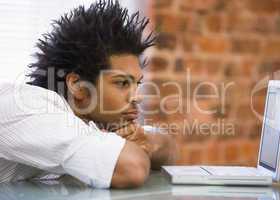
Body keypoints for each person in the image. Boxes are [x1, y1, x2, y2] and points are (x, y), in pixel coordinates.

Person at [0, 0, 177, 189]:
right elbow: (131, 168)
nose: (137, 96)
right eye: (122, 83)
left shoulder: (84, 121)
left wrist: (146, 141)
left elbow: (169, 150)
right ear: (77, 85)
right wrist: (140, 147)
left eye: (137, 83)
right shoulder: (31, 108)